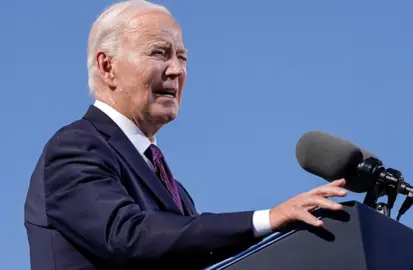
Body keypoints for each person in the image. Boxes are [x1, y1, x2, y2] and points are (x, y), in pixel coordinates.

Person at [24, 1, 348, 269]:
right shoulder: (75, 147)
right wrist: (267, 219)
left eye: (182, 57)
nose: (176, 70)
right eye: (159, 53)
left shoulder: (175, 189)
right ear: (108, 67)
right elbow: (126, 234)